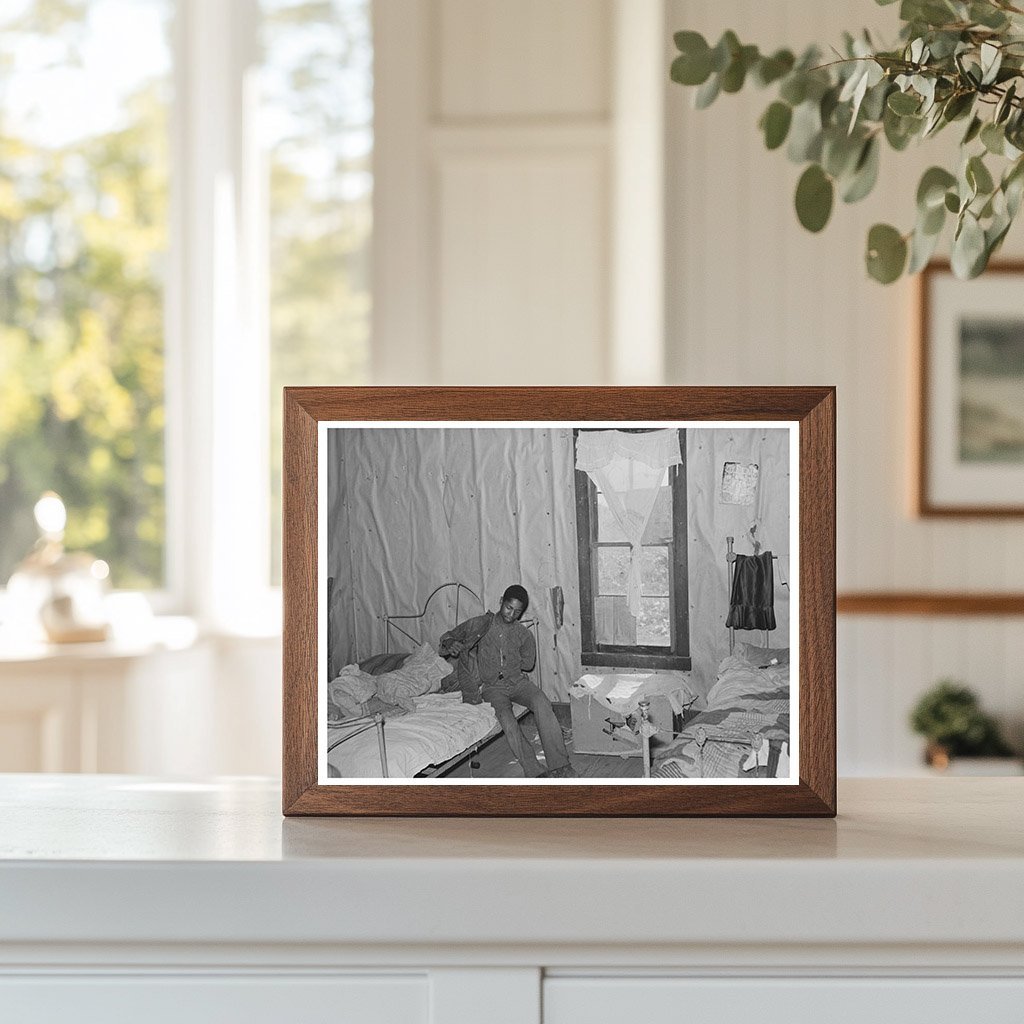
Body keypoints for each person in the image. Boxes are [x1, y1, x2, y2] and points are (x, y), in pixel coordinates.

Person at [439, 585, 575, 779]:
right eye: (508, 607)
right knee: (507, 719)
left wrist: (512, 659)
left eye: (517, 611)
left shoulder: (523, 634)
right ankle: (534, 771)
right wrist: (450, 643)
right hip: (493, 688)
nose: (511, 614)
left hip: (518, 683)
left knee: (542, 702)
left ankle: (560, 765)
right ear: (501, 601)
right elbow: (448, 637)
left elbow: (528, 665)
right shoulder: (481, 624)